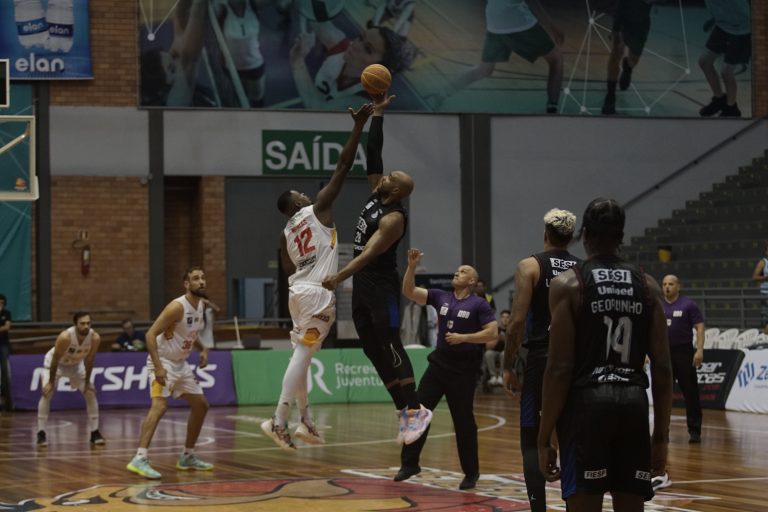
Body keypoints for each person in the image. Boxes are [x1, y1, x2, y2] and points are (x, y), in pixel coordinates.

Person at [538, 198, 673, 512]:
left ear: (584, 234)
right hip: (634, 403)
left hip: (587, 406)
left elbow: (559, 368)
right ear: (621, 236)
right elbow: (663, 368)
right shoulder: (648, 285)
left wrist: (545, 438)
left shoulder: (568, 284)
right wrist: (660, 438)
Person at [261, 102, 374, 450]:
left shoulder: (284, 233)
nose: (306, 194)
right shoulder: (317, 209)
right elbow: (343, 165)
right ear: (297, 204)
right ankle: (279, 419)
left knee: (303, 356)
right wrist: (358, 126)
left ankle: (305, 420)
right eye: (301, 193)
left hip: (298, 292)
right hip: (316, 293)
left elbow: (286, 269)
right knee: (302, 355)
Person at [322, 94, 431, 442]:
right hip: (363, 285)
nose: (384, 175)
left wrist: (339, 276)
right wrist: (376, 116)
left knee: (391, 343)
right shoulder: (376, 194)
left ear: (395, 189)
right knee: (371, 347)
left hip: (382, 285)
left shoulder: (394, 218)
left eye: (390, 177)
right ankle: (402, 410)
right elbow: (374, 154)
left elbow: (369, 254)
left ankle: (416, 408)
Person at [395, 249, 498, 490]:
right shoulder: (440, 296)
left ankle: (471, 473)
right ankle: (410, 464)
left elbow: (492, 333)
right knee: (417, 413)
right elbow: (409, 291)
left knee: (463, 422)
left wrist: (465, 338)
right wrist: (411, 266)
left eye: (463, 271)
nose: (457, 272)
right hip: (438, 366)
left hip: (463, 371)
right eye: (457, 270)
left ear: (471, 281)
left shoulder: (479, 304)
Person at [501, 207, 579, 512]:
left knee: (532, 437)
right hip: (576, 360)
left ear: (545, 233)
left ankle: (538, 508)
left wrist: (508, 365)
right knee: (571, 435)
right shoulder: (583, 269)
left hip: (541, 359)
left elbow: (516, 322)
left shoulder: (530, 266)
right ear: (571, 237)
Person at [127, 267, 213, 479]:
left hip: (181, 364)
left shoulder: (201, 305)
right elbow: (150, 335)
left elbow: (190, 333)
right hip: (163, 361)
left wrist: (202, 348)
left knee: (201, 405)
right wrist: (158, 367)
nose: (201, 281)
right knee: (159, 406)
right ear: (187, 284)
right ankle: (139, 458)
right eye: (196, 278)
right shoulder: (177, 307)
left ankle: (187, 456)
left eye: (203, 278)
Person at [436, 0, 564, 113]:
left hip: (494, 22)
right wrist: (552, 26)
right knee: (556, 59)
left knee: (484, 69)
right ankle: (552, 107)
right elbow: (532, 3)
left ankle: (443, 92)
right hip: (517, 21)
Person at [288, 22, 416, 109]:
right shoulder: (340, 46)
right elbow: (315, 14)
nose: (355, 44)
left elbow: (318, 109)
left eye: (368, 49)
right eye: (360, 37)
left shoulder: (367, 98)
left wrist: (298, 62)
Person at [36, 312, 105, 447]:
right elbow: (55, 360)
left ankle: (95, 432)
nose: (86, 326)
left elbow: (90, 360)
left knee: (90, 392)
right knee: (47, 393)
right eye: (82, 323)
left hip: (76, 366)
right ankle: (41, 433)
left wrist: (87, 382)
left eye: (88, 323)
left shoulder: (95, 337)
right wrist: (51, 383)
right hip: (56, 365)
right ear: (75, 324)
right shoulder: (65, 337)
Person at [140, 0, 210, 106]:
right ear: (161, 91)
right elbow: (188, 58)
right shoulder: (175, 101)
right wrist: (199, 3)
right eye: (172, 68)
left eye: (173, 57)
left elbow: (179, 33)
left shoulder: (166, 84)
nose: (179, 61)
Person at [661, 274, 705, 444]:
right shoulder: (658, 304)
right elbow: (650, 328)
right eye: (664, 284)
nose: (667, 287)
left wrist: (699, 350)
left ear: (678, 286)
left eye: (671, 284)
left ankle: (695, 431)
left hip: (684, 352)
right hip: (664, 353)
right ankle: (662, 431)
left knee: (690, 393)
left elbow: (700, 327)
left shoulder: (688, 304)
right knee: (663, 394)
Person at [698, 0, 751, 117]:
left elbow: (748, 12)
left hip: (742, 31)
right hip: (722, 26)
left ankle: (731, 109)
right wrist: (712, 19)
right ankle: (719, 99)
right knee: (704, 61)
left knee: (726, 72)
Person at [601, 0, 653, 115]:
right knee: (616, 53)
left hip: (641, 23)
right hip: (623, 19)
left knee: (634, 58)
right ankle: (610, 96)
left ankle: (628, 67)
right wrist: (616, 28)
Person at [213, 0, 267, 107]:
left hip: (254, 65)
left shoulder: (253, 4)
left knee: (257, 101)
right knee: (240, 99)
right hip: (232, 68)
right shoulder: (221, 8)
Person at [482, 309, 509, 387]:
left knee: (504, 353)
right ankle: (493, 376)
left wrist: (505, 339)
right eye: (503, 317)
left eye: (507, 317)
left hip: (508, 354)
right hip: (495, 352)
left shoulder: (513, 330)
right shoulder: (495, 330)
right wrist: (496, 339)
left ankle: (501, 376)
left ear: (510, 319)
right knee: (488, 353)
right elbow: (488, 346)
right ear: (500, 319)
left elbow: (516, 347)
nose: (505, 319)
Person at [752, 242, 768, 334]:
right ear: (766, 252)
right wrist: (766, 278)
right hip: (766, 294)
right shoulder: (763, 263)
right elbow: (754, 277)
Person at [0, 294, 12, 412]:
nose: (1, 304)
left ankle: (5, 395)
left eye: (2, 302)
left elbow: (7, 327)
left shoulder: (6, 313)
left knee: (5, 369)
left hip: (3, 344)